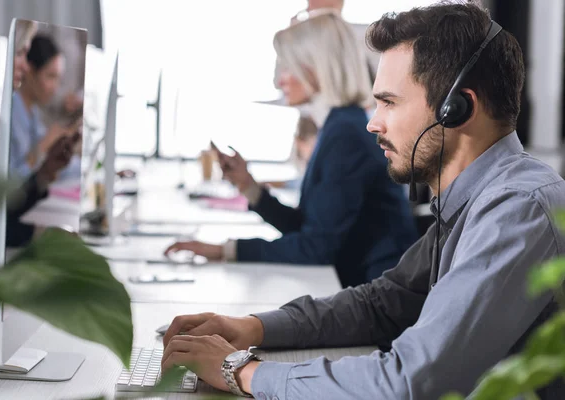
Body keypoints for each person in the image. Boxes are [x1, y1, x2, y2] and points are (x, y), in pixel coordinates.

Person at [159, 3, 565, 399]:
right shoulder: (474, 199)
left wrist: (240, 370)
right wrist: (252, 327)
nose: (373, 122)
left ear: (456, 110)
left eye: (389, 102)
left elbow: (407, 382)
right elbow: (381, 305)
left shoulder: (516, 210)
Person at [166, 10, 417, 287]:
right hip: (358, 284)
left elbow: (316, 248)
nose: (279, 81)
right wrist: (248, 186)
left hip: (376, 295)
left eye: (286, 66)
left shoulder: (346, 134)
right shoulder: (338, 124)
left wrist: (225, 250)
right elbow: (309, 228)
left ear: (313, 67)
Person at [10, 34, 81, 182]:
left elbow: (61, 168)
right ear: (29, 72)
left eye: (58, 79)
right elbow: (9, 183)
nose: (55, 88)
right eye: (50, 77)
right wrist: (45, 144)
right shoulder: (11, 113)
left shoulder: (33, 112)